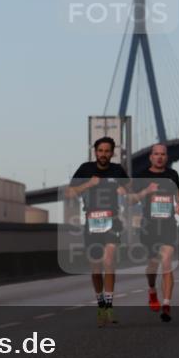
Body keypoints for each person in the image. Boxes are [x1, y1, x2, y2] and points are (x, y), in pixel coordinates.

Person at [67, 137, 129, 328]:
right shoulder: (85, 169)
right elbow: (70, 193)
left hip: (113, 221)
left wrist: (123, 190)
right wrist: (88, 184)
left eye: (107, 151)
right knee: (96, 269)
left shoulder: (118, 170)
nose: (103, 154)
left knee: (109, 261)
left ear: (112, 152)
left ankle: (109, 306)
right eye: (100, 151)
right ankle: (100, 303)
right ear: (95, 152)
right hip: (92, 222)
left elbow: (130, 190)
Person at [132, 143, 179, 322]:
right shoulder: (142, 176)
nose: (160, 157)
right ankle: (152, 290)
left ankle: (167, 304)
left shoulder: (172, 175)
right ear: (151, 157)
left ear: (166, 157)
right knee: (153, 265)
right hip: (149, 227)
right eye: (156, 154)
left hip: (168, 224)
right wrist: (146, 190)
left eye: (163, 154)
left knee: (167, 261)